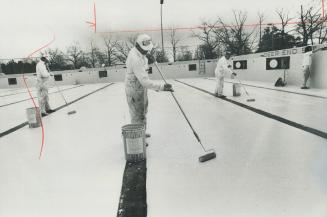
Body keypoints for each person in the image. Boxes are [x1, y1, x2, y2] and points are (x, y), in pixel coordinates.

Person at [125, 34, 173, 138]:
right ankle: (138, 138)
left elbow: (144, 74)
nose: (147, 51)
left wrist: (147, 58)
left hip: (141, 87)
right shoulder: (135, 58)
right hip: (134, 89)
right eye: (144, 50)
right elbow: (145, 81)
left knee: (143, 111)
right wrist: (162, 87)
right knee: (137, 114)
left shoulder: (141, 53)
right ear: (137, 46)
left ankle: (142, 132)